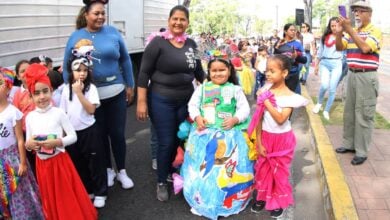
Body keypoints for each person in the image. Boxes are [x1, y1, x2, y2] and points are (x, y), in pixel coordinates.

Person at [63, 0, 135, 188]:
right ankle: (108, 170)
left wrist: (130, 84)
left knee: (117, 134)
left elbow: (126, 60)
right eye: (96, 13)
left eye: (103, 13)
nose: (101, 17)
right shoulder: (76, 37)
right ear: (86, 15)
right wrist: (70, 93)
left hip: (116, 92)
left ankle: (122, 171)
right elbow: (66, 68)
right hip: (91, 98)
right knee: (100, 135)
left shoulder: (113, 33)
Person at [136, 5, 205, 202]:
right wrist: (142, 102)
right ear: (169, 21)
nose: (178, 23)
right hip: (161, 100)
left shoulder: (192, 44)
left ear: (188, 23)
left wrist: (219, 88)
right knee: (165, 141)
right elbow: (143, 73)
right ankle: (161, 181)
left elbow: (199, 73)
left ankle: (172, 171)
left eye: (182, 19)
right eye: (175, 19)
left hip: (186, 100)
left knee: (179, 139)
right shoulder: (158, 43)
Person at [181, 58, 254, 219]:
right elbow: (192, 105)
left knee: (225, 169)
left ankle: (223, 199)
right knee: (204, 168)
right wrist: (197, 117)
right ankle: (203, 198)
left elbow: (244, 108)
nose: (218, 73)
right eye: (214, 70)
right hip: (204, 136)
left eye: (222, 70)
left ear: (229, 71)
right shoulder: (202, 88)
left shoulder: (235, 89)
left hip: (229, 137)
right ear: (209, 72)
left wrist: (235, 119)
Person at [24, 63, 97, 219]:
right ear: (30, 96)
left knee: (66, 196)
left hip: (60, 163)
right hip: (42, 166)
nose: (42, 96)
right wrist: (29, 144)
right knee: (50, 197)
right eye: (36, 93)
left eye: (45, 91)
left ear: (51, 91)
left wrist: (58, 142)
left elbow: (73, 136)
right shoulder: (30, 117)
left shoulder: (58, 113)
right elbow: (28, 142)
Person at [250, 54, 307, 218]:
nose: (267, 74)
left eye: (272, 71)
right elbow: (259, 118)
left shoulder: (290, 97)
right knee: (262, 169)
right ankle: (262, 197)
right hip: (266, 137)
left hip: (282, 140)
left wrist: (266, 100)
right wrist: (259, 142)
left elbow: (281, 119)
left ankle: (277, 201)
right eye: (266, 70)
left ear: (284, 73)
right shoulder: (265, 90)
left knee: (279, 172)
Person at [335, 1, 382, 165]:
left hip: (366, 77)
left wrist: (348, 30)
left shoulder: (374, 31)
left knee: (364, 114)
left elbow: (365, 48)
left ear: (369, 14)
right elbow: (340, 47)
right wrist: (339, 33)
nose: (356, 14)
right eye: (355, 11)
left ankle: (361, 151)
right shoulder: (353, 31)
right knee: (349, 112)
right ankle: (349, 144)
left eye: (361, 11)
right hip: (352, 74)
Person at [60, 48, 108, 208]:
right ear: (71, 71)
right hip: (73, 133)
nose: (82, 73)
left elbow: (91, 109)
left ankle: (101, 192)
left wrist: (79, 94)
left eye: (85, 70)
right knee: (79, 162)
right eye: (78, 70)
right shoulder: (66, 89)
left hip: (89, 131)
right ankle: (88, 189)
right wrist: (62, 133)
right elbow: (63, 113)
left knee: (95, 162)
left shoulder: (91, 89)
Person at [0, 67, 44, 219]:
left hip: (13, 158)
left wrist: (23, 162)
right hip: (0, 161)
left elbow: (20, 139)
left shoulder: (13, 112)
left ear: (8, 88)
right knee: (4, 192)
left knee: (19, 190)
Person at [312, 17, 343, 121]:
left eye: (336, 25)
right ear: (330, 26)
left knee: (333, 88)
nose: (334, 28)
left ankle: (326, 110)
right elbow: (320, 52)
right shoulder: (325, 37)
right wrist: (316, 66)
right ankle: (319, 103)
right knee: (324, 85)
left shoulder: (343, 37)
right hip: (324, 63)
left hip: (337, 64)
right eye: (332, 25)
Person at [274, 23, 307, 93]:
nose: (293, 32)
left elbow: (305, 60)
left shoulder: (298, 44)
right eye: (291, 30)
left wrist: (296, 56)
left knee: (296, 99)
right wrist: (277, 48)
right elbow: (273, 58)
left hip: (294, 75)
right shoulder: (279, 43)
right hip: (281, 76)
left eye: (294, 30)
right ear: (285, 31)